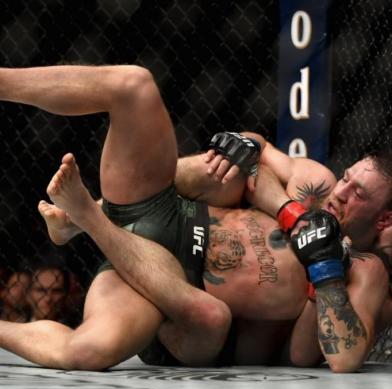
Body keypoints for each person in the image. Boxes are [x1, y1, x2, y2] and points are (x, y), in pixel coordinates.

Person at [0, 64, 390, 372]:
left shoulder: (365, 269)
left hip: (172, 289)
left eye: (358, 193)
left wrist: (325, 268)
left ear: (385, 219)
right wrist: (289, 212)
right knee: (135, 84)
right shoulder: (317, 188)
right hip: (170, 212)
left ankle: (87, 217)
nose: (341, 191)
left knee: (90, 349)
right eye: (346, 178)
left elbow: (338, 357)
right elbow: (253, 149)